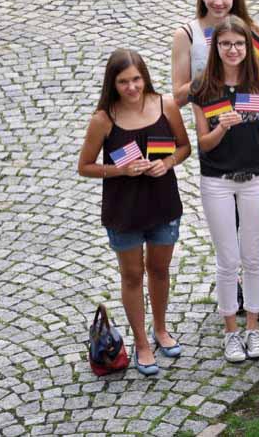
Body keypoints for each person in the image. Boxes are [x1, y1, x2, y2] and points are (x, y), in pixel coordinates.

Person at [78, 49, 190, 375]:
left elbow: (184, 146)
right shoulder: (103, 119)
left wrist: (166, 162)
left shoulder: (165, 105)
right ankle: (141, 342)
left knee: (159, 270)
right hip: (124, 211)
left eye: (136, 79)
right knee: (131, 275)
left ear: (145, 76)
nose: (132, 87)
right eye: (124, 81)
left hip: (163, 203)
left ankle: (160, 329)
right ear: (113, 84)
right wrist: (120, 170)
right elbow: (84, 166)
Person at [189, 15, 259, 363]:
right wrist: (222, 128)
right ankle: (231, 330)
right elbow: (204, 144)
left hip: (256, 180)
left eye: (239, 44)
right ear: (217, 48)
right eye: (226, 44)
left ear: (248, 48)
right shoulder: (203, 89)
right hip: (217, 181)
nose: (232, 50)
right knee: (228, 259)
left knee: (253, 257)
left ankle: (254, 327)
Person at [172, 0, 259, 107]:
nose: (218, 2)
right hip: (209, 121)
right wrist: (212, 72)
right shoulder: (185, 35)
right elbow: (178, 99)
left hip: (248, 117)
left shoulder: (250, 30)